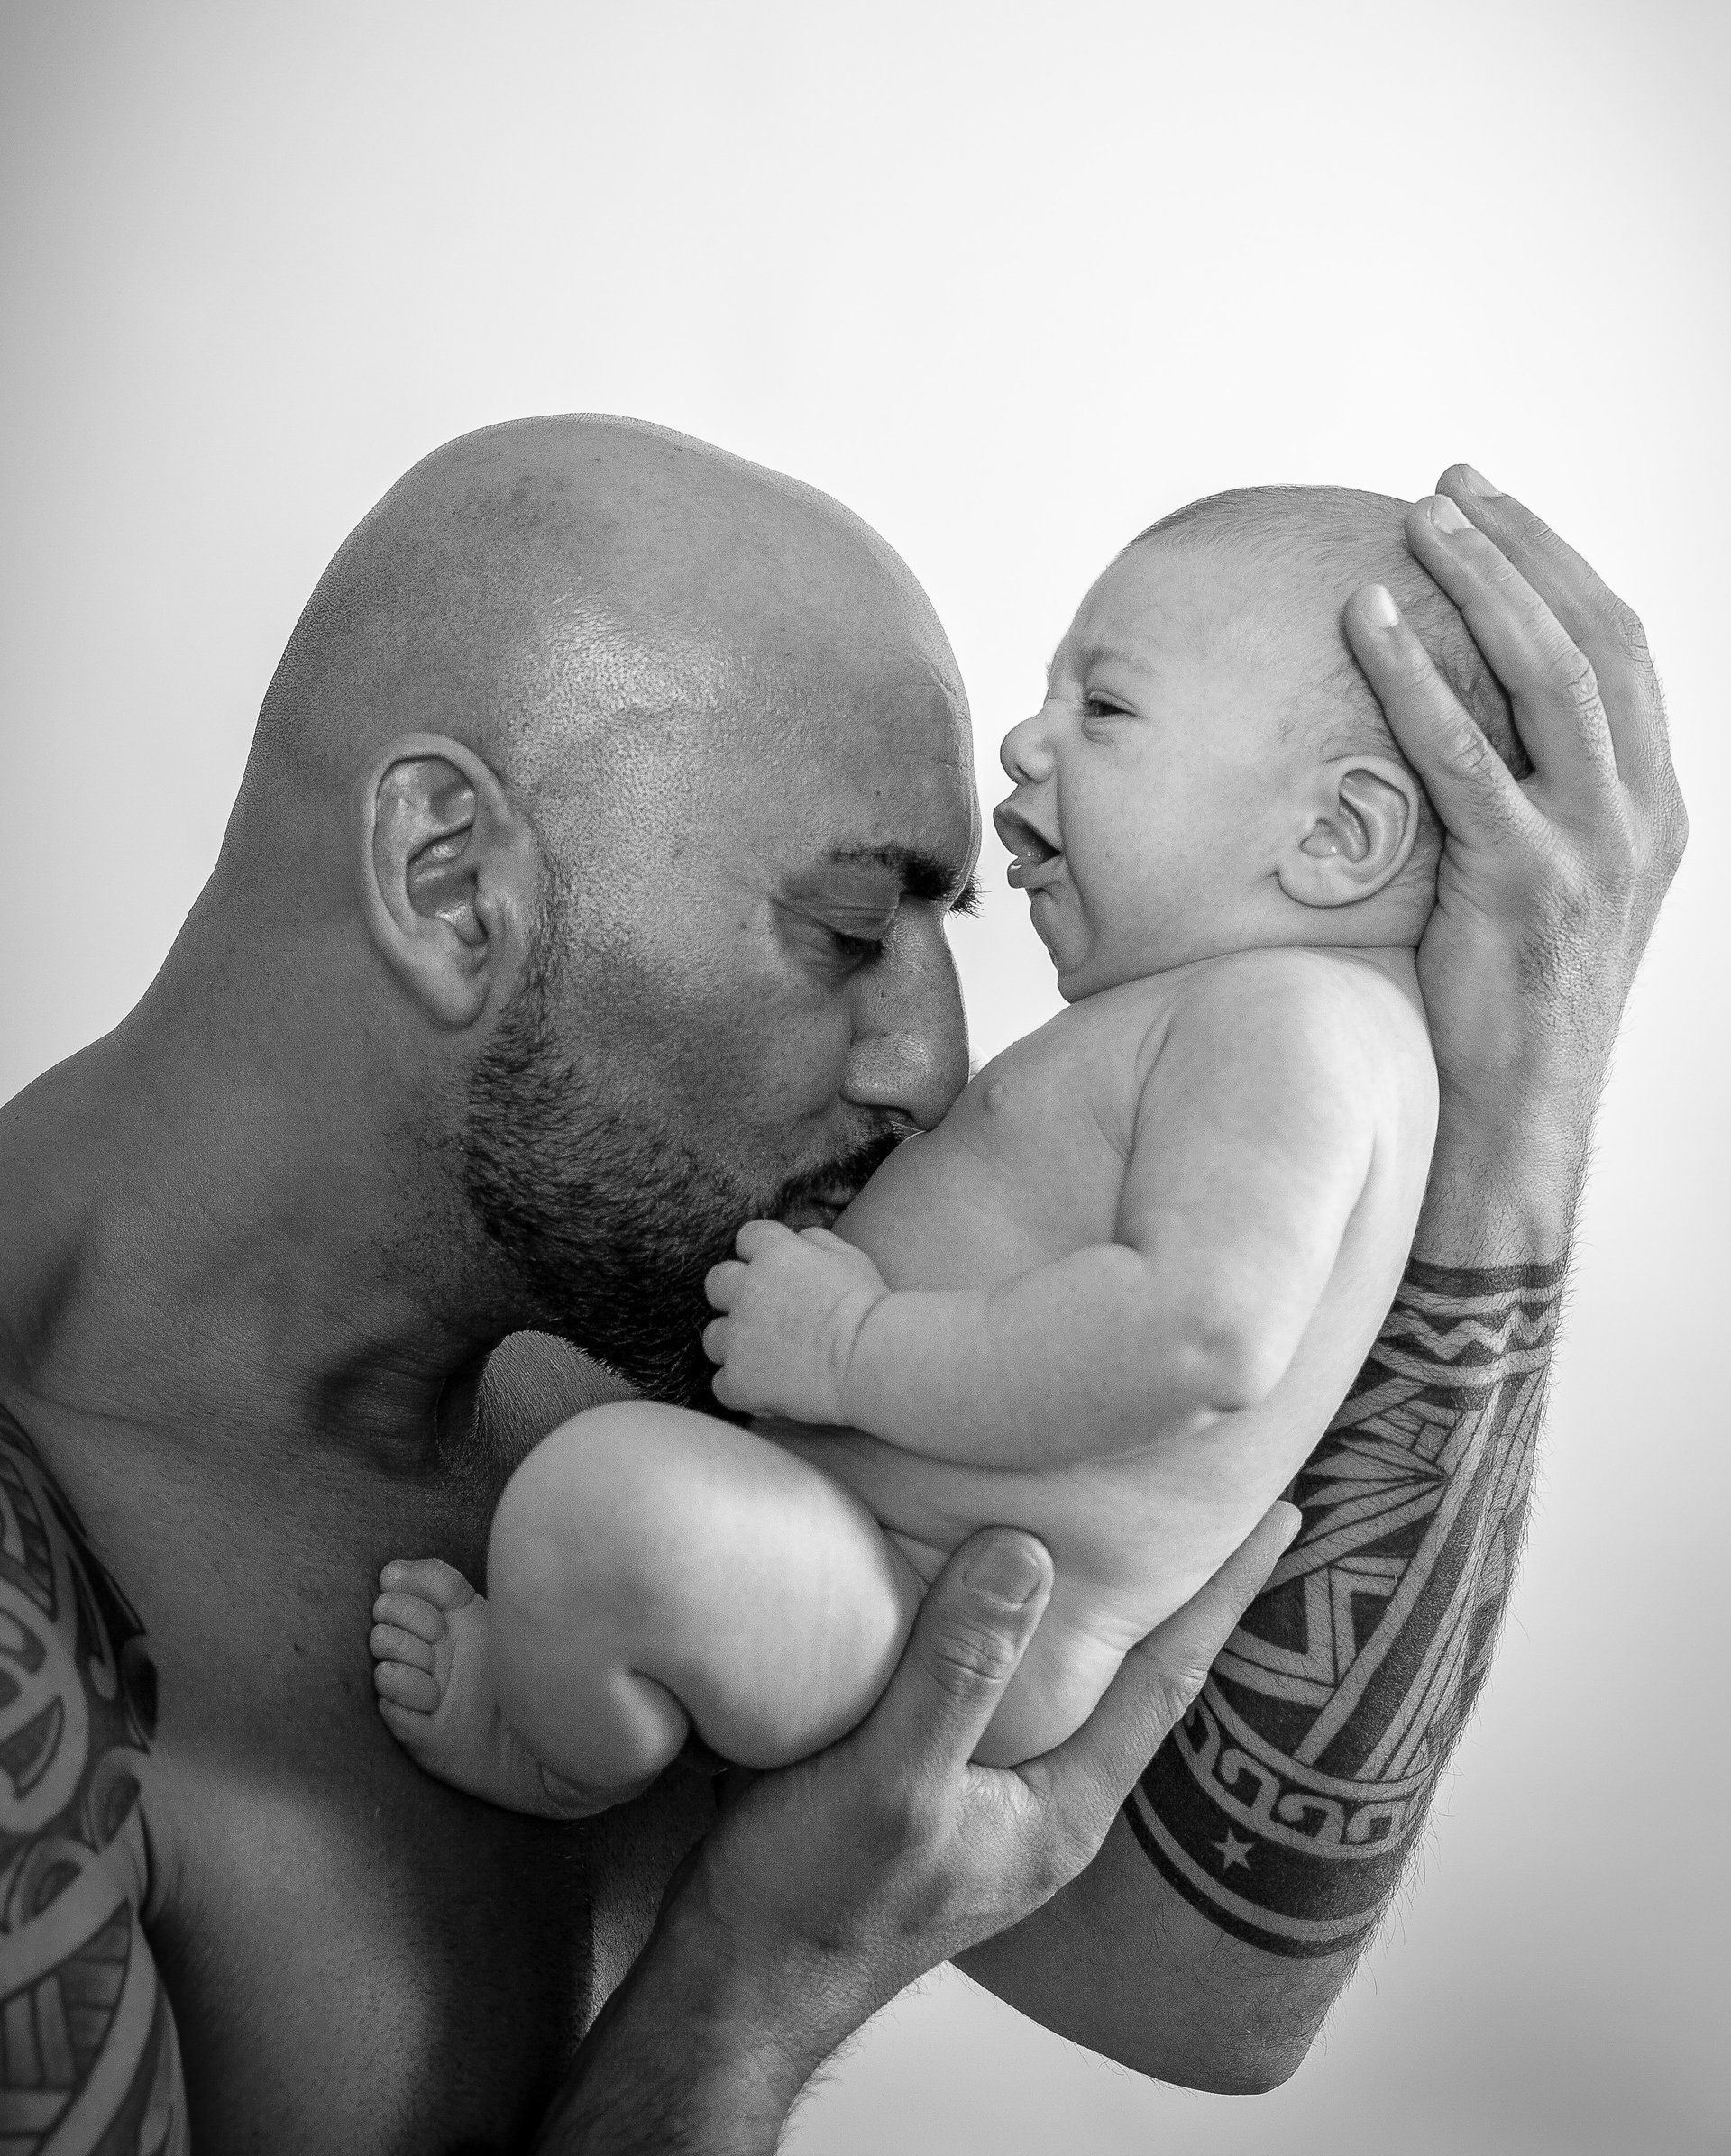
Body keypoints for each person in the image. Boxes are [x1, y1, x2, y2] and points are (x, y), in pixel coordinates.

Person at [0, 417, 1684, 2152]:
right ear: (450, 881)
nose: (935, 1073)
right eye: (848, 932)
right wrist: (757, 1981)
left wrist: (1515, 1086)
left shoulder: (622, 1342)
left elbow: (1206, 1989)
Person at [371, 484, 1484, 1808]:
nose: (1023, 743)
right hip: (866, 1546)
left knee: (599, 1505)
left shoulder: (1294, 1021)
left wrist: (857, 1352)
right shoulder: (1256, 1021)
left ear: (1338, 834)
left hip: (920, 1586)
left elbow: (1202, 1337)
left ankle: (558, 1751)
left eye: (1105, 708)